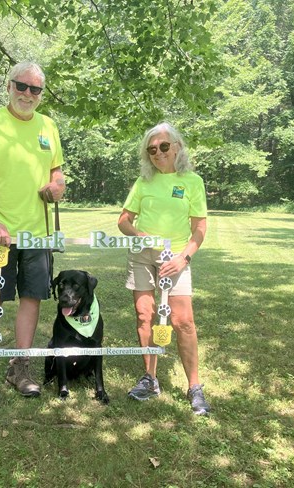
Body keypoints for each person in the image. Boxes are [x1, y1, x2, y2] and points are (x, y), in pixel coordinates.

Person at [0, 61, 66, 406]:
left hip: (38, 235)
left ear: (41, 94)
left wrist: (56, 188)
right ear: (9, 86)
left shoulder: (48, 126)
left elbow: (58, 175)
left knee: (32, 297)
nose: (27, 94)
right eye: (21, 86)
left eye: (35, 89)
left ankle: (19, 368)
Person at [117, 122, 210, 415]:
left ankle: (194, 387)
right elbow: (123, 221)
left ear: (177, 147)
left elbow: (199, 229)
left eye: (164, 147)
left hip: (176, 259)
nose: (159, 153)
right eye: (152, 149)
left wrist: (183, 258)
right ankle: (150, 379)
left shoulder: (192, 181)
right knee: (145, 316)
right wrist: (139, 236)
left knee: (183, 321)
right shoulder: (143, 182)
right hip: (142, 255)